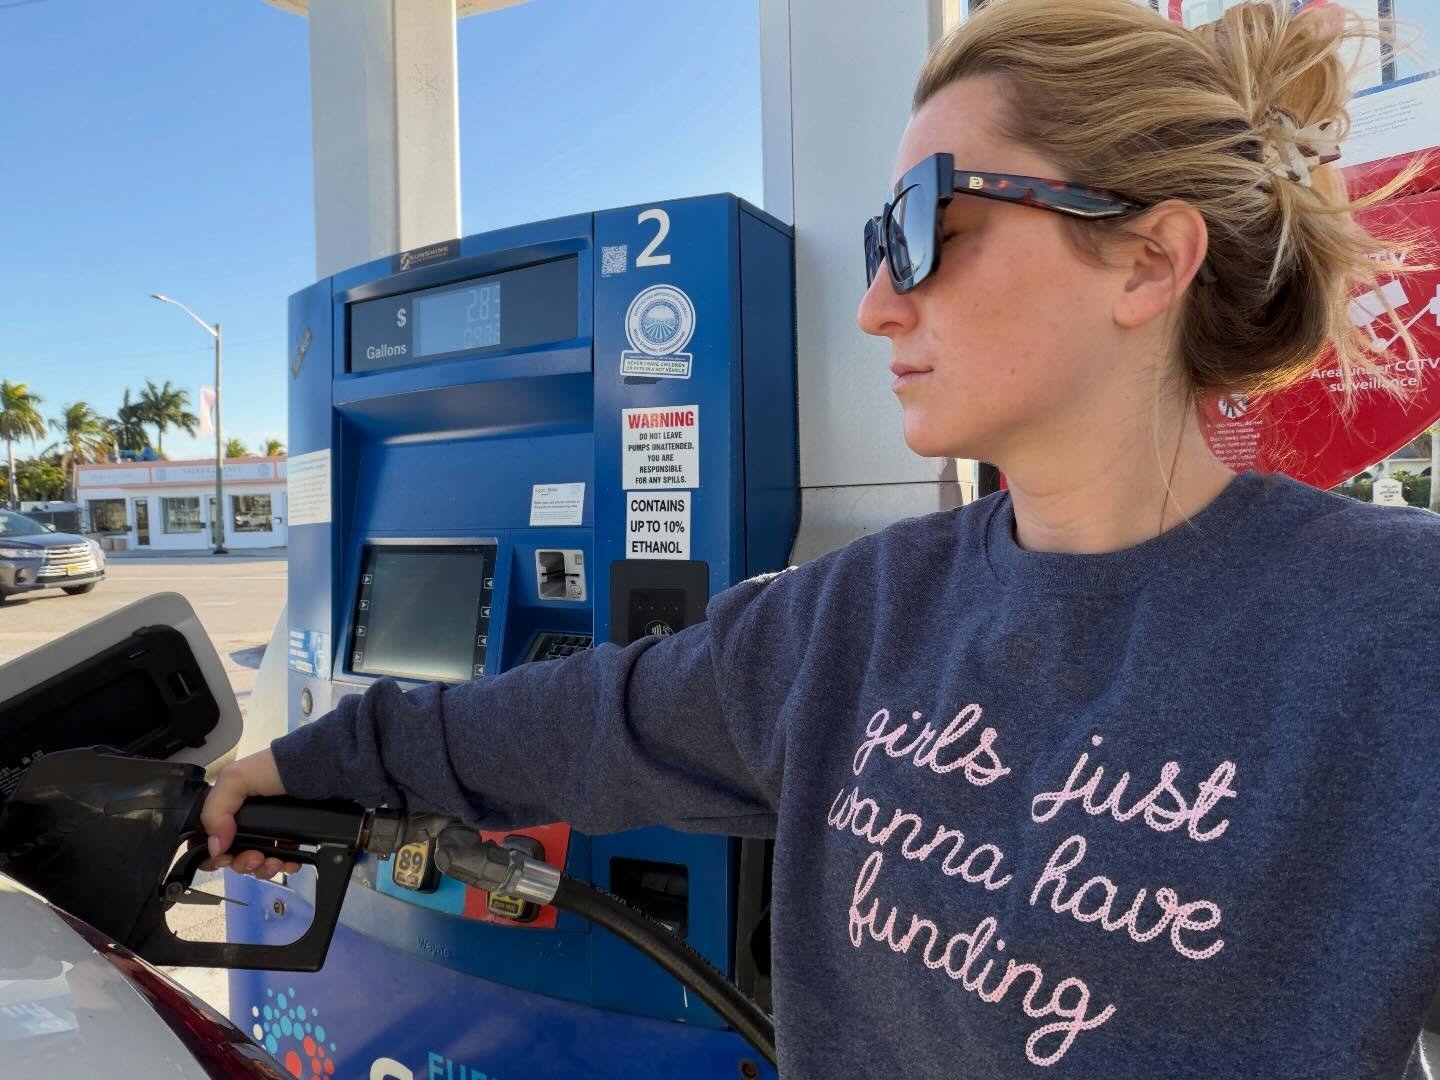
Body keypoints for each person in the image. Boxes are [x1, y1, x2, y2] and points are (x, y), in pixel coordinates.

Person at [204, 1, 1440, 1075]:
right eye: (874, 241)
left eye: (922, 223)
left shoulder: (1399, 633)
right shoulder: (853, 618)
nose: (872, 303)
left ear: (1147, 260)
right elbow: (579, 719)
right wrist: (296, 770)